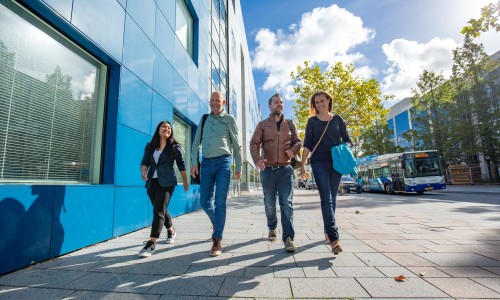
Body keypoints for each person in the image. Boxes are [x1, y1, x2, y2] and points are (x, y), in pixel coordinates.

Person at [300, 91, 353, 254]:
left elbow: (348, 140)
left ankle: (327, 230)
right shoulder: (312, 122)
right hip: (318, 163)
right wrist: (302, 165)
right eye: (316, 102)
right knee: (326, 198)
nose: (320, 104)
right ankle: (334, 238)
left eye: (322, 101)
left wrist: (344, 148)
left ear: (329, 101)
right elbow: (307, 144)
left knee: (333, 198)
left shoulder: (337, 120)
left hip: (336, 163)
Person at [191, 91, 242, 257]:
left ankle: (217, 239)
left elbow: (236, 145)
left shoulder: (229, 120)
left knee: (220, 201)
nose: (214, 103)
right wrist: (194, 163)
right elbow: (196, 142)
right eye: (212, 100)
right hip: (205, 163)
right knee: (205, 201)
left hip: (223, 163)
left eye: (217, 100)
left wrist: (238, 167)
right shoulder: (204, 119)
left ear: (224, 102)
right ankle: (217, 222)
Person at [250, 93, 301, 252]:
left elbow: (298, 142)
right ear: (270, 106)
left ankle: (288, 238)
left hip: (286, 170)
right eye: (276, 103)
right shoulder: (262, 125)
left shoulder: (290, 124)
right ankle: (272, 227)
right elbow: (254, 143)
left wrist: (294, 150)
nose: (280, 105)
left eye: (281, 103)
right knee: (270, 204)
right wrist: (257, 159)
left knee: (286, 203)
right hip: (268, 171)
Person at [138, 121, 189, 257]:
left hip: (167, 182)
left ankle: (151, 243)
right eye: (164, 127)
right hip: (152, 182)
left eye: (169, 127)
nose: (167, 129)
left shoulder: (174, 147)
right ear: (158, 129)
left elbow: (181, 165)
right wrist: (143, 171)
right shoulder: (150, 146)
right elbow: (144, 162)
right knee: (160, 208)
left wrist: (185, 181)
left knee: (158, 210)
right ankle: (171, 230)